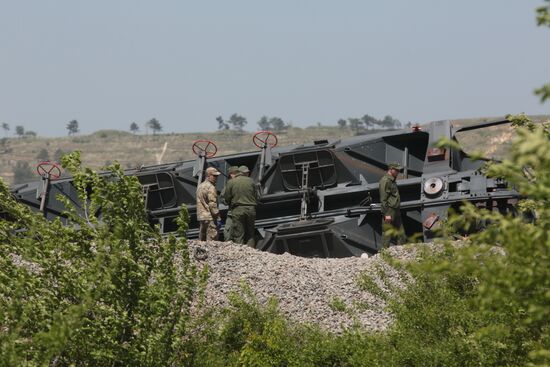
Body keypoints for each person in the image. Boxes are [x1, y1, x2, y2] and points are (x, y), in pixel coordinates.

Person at [224, 165, 258, 247]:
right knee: (250, 233)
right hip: (250, 209)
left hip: (238, 209)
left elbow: (227, 197)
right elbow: (256, 196)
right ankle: (251, 253)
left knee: (239, 234)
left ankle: (241, 254)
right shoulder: (251, 181)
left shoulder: (231, 182)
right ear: (244, 173)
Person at [379, 163, 405, 248]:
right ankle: (384, 252)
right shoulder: (385, 181)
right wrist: (386, 214)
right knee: (387, 231)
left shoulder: (392, 180)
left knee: (401, 231)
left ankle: (401, 250)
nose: (398, 172)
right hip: (389, 210)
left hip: (395, 209)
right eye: (396, 170)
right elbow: (383, 199)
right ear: (391, 169)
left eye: (398, 170)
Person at [196, 167, 221, 241]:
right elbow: (212, 204)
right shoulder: (211, 187)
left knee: (202, 241)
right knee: (212, 241)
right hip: (210, 218)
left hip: (202, 217)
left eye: (217, 176)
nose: (216, 178)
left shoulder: (200, 186)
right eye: (214, 176)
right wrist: (217, 216)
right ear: (208, 176)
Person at [220, 166, 240, 240]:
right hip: (246, 211)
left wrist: (228, 202)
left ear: (231, 174)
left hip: (233, 211)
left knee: (228, 231)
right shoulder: (246, 181)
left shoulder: (229, 183)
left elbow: (222, 197)